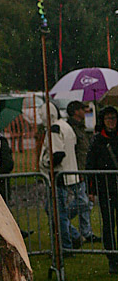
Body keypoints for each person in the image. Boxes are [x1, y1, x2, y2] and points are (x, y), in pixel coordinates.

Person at [40, 102, 82, 252]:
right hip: (68, 174)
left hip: (58, 177)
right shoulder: (65, 126)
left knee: (58, 213)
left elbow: (58, 154)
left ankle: (67, 244)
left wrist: (46, 162)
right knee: (56, 211)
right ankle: (72, 236)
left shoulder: (55, 129)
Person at [86, 105, 118, 275]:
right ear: (103, 121)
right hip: (106, 189)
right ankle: (112, 258)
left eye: (114, 118)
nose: (111, 122)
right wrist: (90, 190)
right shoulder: (97, 141)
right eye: (108, 119)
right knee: (108, 225)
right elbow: (90, 166)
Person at [66, 100, 99, 244]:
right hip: (77, 169)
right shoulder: (71, 129)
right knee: (83, 201)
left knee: (87, 202)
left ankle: (86, 232)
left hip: (84, 168)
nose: (84, 111)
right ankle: (61, 217)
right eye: (81, 108)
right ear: (75, 112)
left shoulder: (81, 127)